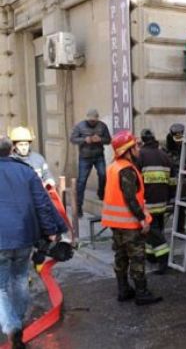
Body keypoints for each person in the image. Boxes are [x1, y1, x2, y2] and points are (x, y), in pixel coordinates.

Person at [0, 135, 67, 349]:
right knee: (19, 277)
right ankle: (17, 322)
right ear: (11, 149)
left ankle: (11, 326)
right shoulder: (26, 170)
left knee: (0, 286)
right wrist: (51, 231)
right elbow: (43, 203)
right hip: (23, 237)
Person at [101, 130, 162, 306]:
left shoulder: (113, 166)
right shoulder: (126, 170)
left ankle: (123, 290)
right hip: (129, 224)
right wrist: (142, 219)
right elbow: (130, 198)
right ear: (127, 149)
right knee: (136, 257)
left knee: (121, 256)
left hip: (116, 223)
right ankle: (142, 293)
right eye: (135, 145)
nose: (138, 148)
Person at [137, 129, 172, 274]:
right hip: (162, 201)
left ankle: (163, 260)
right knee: (154, 230)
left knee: (154, 232)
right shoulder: (165, 156)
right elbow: (173, 180)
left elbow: (135, 180)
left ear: (142, 140)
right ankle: (151, 256)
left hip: (148, 202)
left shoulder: (140, 155)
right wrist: (169, 197)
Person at [70, 109, 111, 217]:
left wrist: (100, 139)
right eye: (90, 120)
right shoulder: (80, 126)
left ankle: (101, 193)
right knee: (82, 181)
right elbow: (73, 139)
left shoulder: (102, 126)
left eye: (94, 121)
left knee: (103, 174)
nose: (92, 122)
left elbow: (108, 140)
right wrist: (84, 139)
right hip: (85, 157)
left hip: (98, 156)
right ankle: (79, 207)